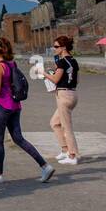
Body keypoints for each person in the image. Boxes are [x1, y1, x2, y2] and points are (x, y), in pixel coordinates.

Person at [0, 37, 55, 183]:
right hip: (14, 105)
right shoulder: (11, 63)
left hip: (0, 106)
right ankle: (45, 166)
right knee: (18, 138)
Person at [44, 35, 80, 165]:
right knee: (54, 122)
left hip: (64, 94)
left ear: (63, 47)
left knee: (67, 127)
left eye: (56, 46)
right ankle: (65, 150)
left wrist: (43, 73)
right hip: (72, 93)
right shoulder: (73, 61)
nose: (54, 49)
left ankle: (73, 155)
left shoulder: (62, 62)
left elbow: (55, 80)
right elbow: (76, 79)